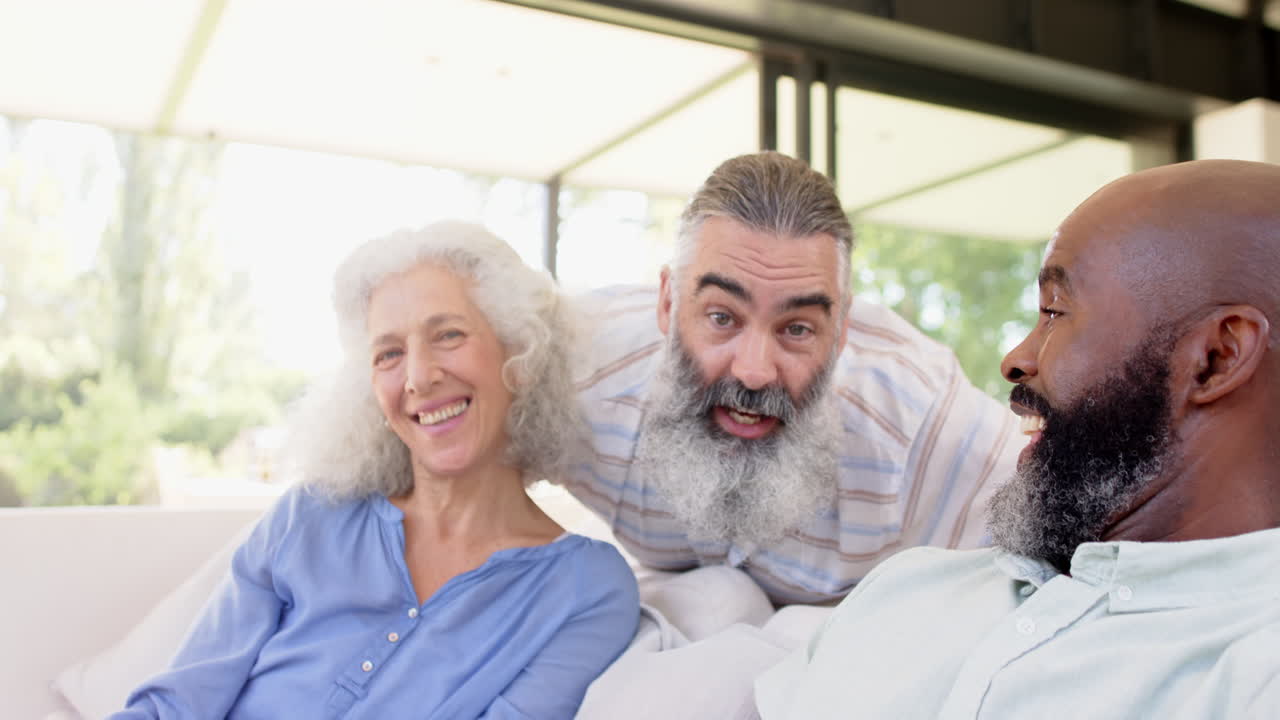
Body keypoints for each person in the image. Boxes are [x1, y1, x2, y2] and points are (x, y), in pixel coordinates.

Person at [754, 159, 1280, 718]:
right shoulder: (908, 586)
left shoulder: (1253, 671)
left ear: (1215, 359)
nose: (1016, 359)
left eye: (1056, 311)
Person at [113, 222, 640, 719]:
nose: (417, 376)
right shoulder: (310, 517)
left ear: (520, 357)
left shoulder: (585, 589)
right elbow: (176, 705)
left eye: (449, 335)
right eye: (388, 353)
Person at [567, 151, 1022, 604]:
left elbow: (1077, 530)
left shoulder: (925, 423)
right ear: (667, 304)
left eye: (797, 329)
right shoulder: (583, 371)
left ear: (842, 330)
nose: (755, 371)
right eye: (723, 317)